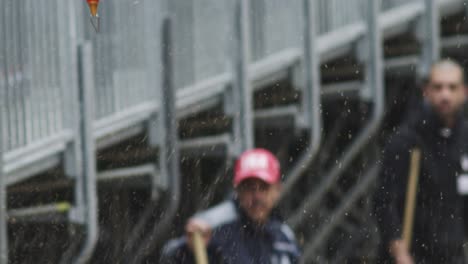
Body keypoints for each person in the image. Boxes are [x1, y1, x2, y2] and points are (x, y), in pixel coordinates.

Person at [374, 60, 468, 263]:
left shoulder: (465, 138)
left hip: (454, 254)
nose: (445, 95)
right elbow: (384, 202)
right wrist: (400, 253)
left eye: (452, 87)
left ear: (464, 92)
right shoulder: (406, 140)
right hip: (415, 254)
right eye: (438, 87)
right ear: (426, 91)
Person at [161, 148, 300, 263]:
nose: (257, 196)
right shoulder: (214, 227)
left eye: (263, 187)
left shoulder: (283, 235)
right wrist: (188, 249)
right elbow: (170, 256)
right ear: (237, 190)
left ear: (277, 190)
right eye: (249, 188)